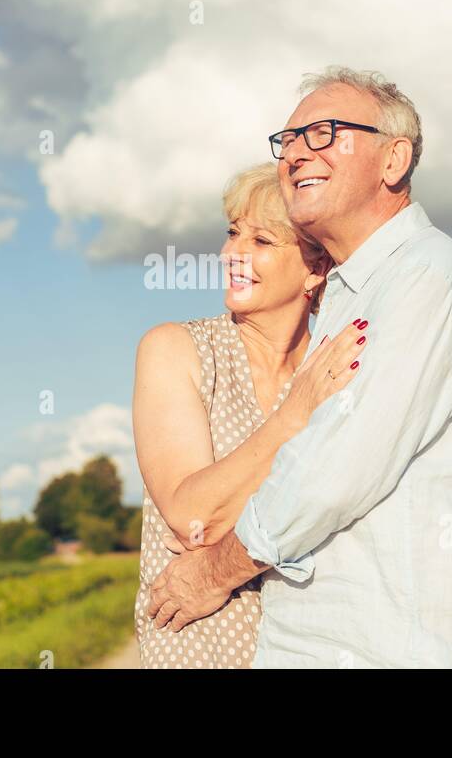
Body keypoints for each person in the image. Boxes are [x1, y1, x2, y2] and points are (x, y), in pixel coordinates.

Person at [147, 67, 452, 668]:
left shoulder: (426, 276)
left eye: (323, 133)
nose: (296, 153)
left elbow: (331, 474)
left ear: (393, 160)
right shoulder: (351, 296)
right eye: (288, 140)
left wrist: (212, 573)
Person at [131, 162, 369, 668]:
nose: (231, 254)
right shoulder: (178, 350)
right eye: (233, 233)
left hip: (316, 646)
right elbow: (195, 517)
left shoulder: (334, 362)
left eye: (261, 241)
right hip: (199, 645)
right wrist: (294, 416)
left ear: (316, 268)